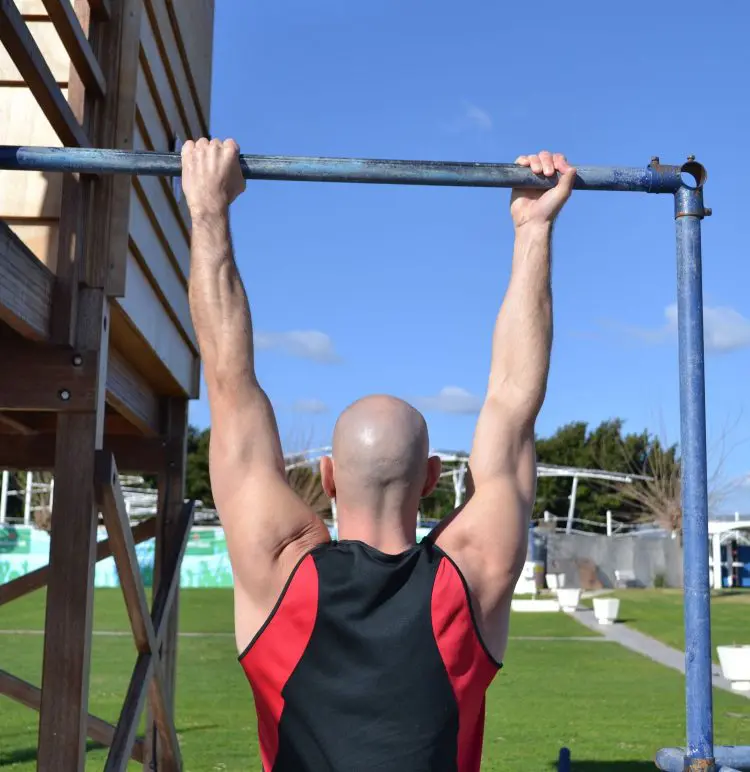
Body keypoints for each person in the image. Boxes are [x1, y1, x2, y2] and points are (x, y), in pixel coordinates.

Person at [181, 140, 576, 772]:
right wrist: (534, 230)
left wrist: (208, 210)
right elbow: (511, 404)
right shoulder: (472, 573)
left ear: (327, 476)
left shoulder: (279, 568)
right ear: (432, 479)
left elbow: (229, 381)